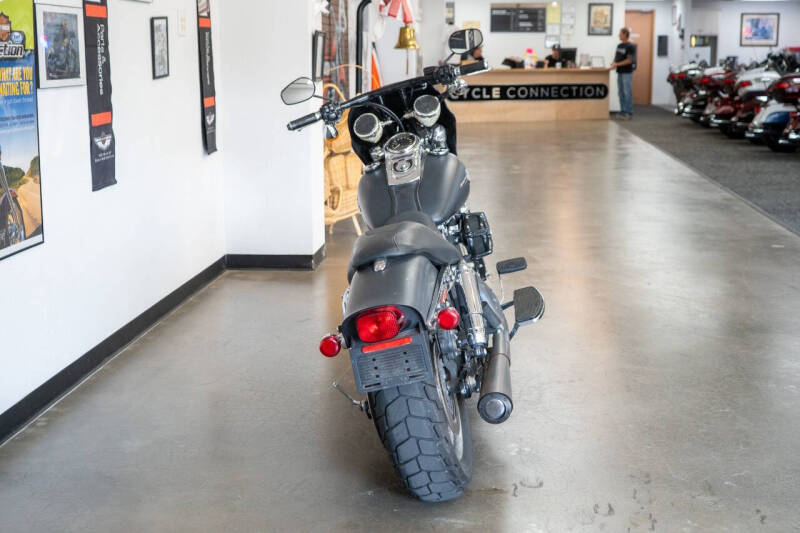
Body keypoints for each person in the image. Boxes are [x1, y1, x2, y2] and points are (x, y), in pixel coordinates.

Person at [610, 27, 637, 120]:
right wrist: (614, 63)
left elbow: (629, 60)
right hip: (620, 72)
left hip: (627, 72)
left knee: (627, 92)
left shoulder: (630, 46)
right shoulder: (619, 46)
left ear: (625, 35)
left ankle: (629, 112)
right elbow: (617, 57)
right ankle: (623, 111)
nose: (619, 35)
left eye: (620, 34)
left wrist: (617, 64)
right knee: (620, 92)